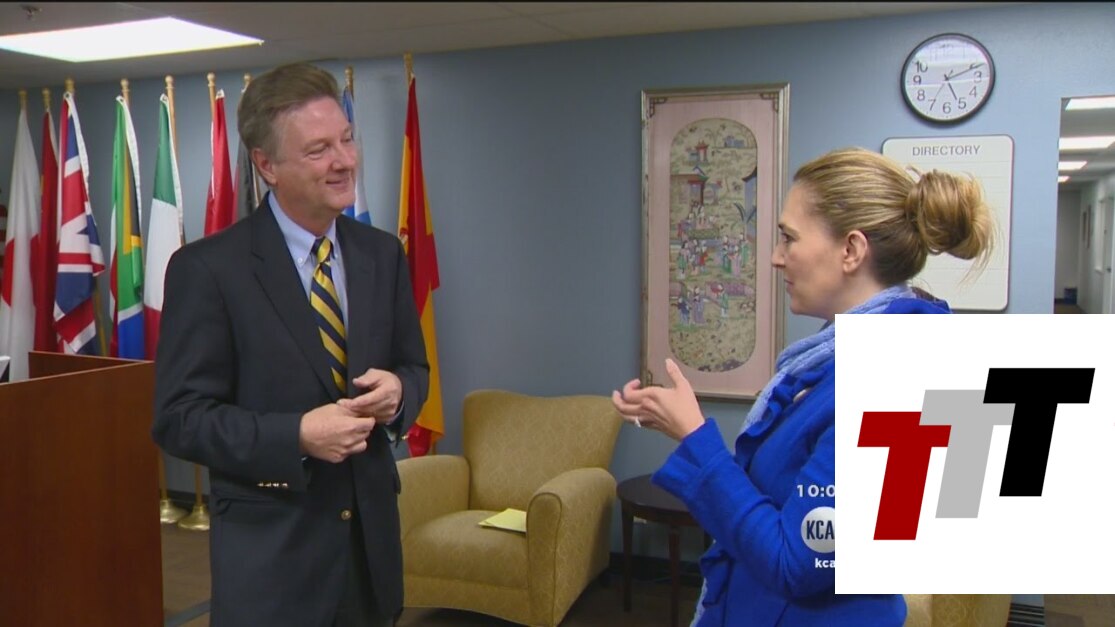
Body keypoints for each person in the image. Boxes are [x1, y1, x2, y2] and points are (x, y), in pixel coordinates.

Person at [612, 147, 993, 626]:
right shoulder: (840, 361)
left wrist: (694, 436)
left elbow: (798, 562)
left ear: (851, 250)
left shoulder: (894, 379)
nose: (776, 257)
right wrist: (681, 426)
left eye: (788, 237)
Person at [152, 62, 429, 627]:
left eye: (347, 139)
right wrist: (297, 435)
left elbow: (414, 367)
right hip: (272, 563)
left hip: (369, 560)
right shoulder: (208, 270)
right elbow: (180, 419)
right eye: (319, 149)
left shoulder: (382, 254)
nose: (345, 161)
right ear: (266, 165)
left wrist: (399, 393)